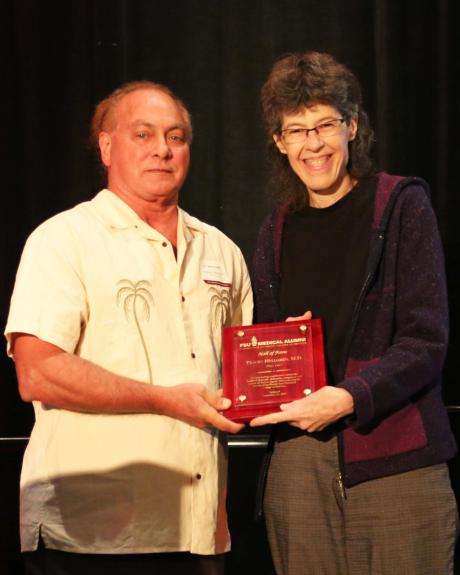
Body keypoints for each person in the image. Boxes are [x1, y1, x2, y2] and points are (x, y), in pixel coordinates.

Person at [5, 80, 253, 575]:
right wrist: (163, 398)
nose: (162, 149)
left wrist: (294, 355)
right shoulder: (63, 240)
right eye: (143, 134)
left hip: (200, 532)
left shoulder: (222, 251)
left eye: (176, 136)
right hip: (91, 538)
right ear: (106, 145)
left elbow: (244, 373)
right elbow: (38, 374)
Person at [249, 51, 458, 575]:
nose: (312, 144)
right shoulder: (273, 232)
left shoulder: (401, 205)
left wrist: (347, 397)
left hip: (393, 450)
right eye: (296, 130)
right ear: (279, 142)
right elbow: (264, 348)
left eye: (325, 124)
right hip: (299, 460)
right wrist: (280, 350)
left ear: (353, 126)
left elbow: (426, 340)